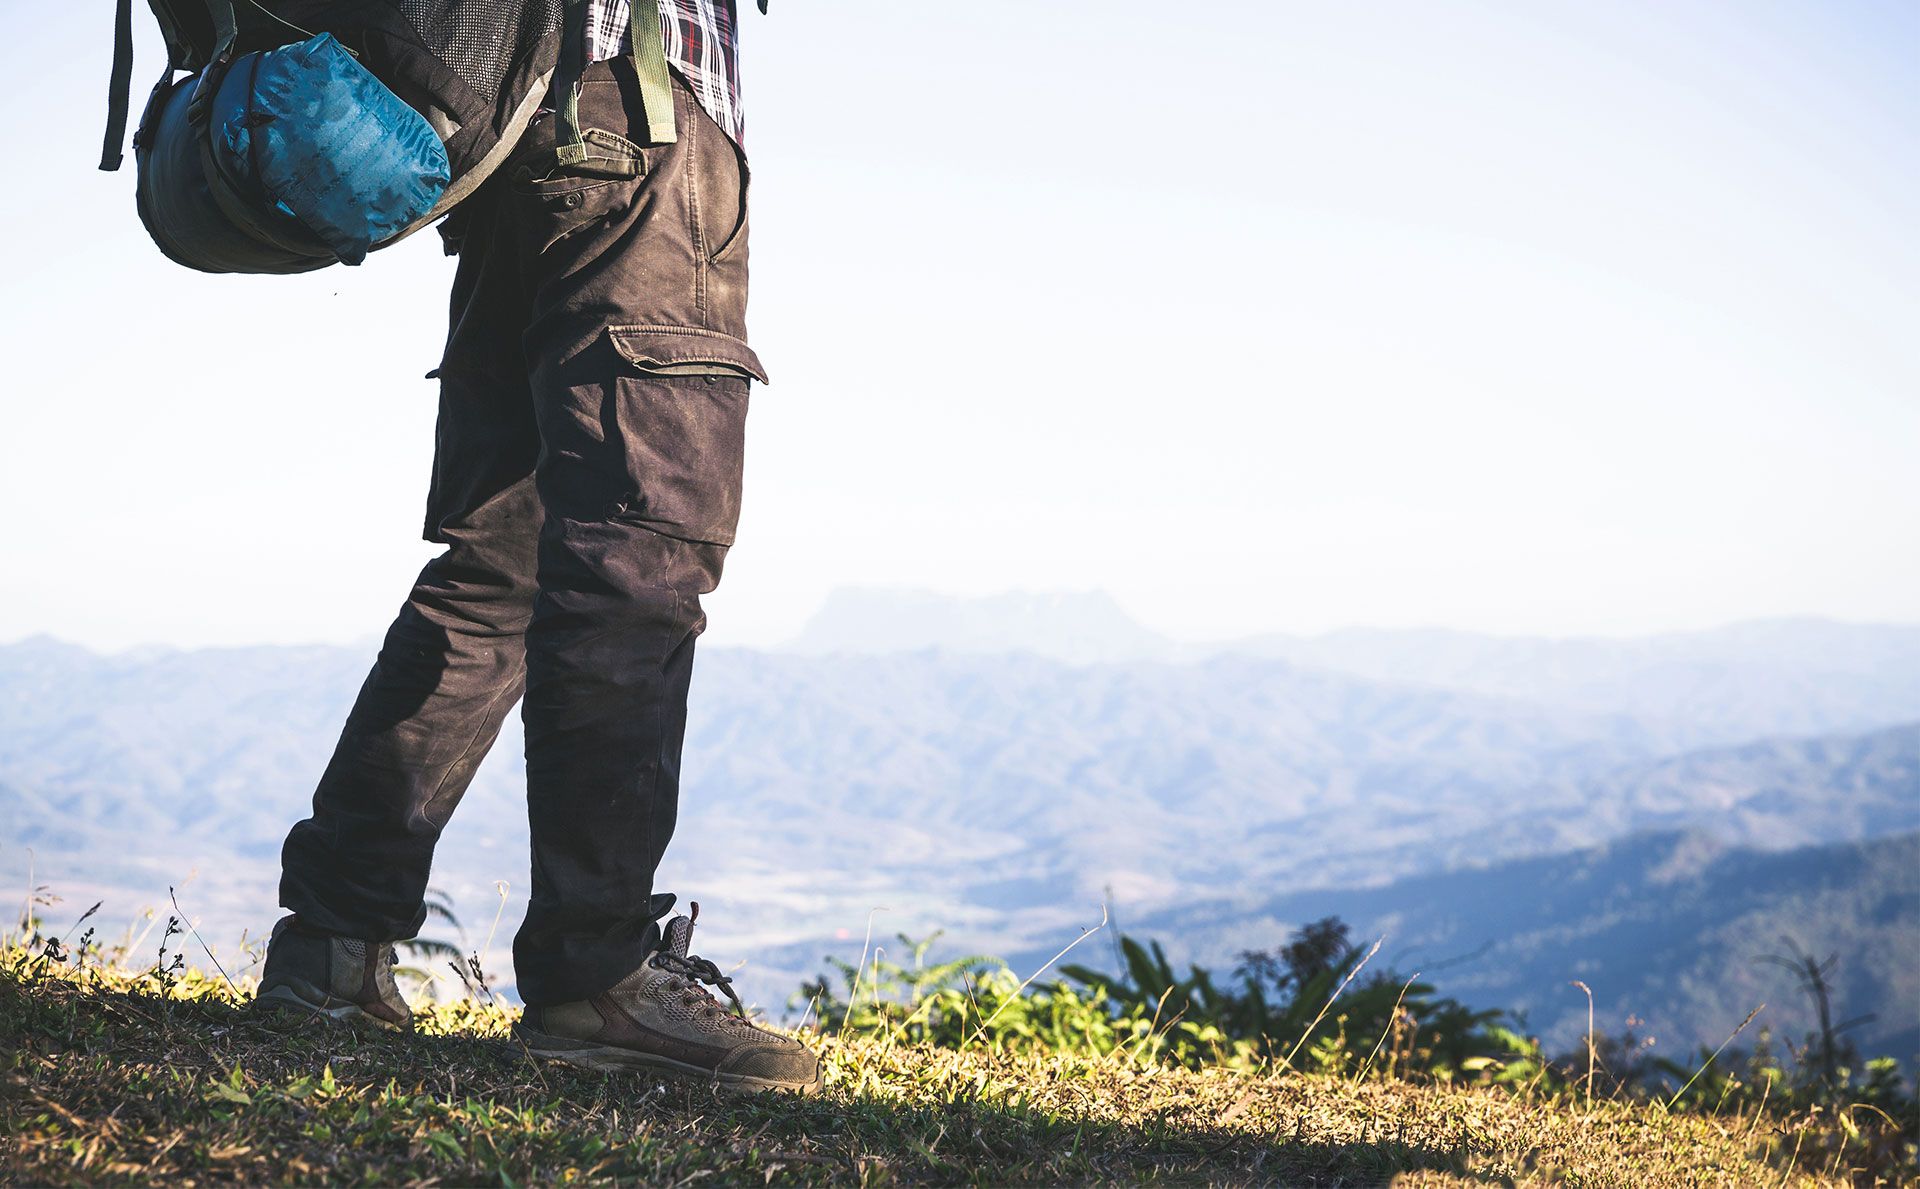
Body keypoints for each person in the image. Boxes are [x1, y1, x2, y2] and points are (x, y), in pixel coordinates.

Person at [253, 0, 820, 1094]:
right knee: (640, 562)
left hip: (501, 143)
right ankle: (595, 976)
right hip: (636, 115)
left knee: (495, 574)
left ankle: (332, 947)